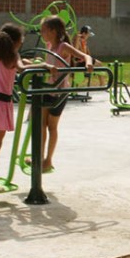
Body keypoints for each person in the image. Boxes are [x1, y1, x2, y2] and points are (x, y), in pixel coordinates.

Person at [0, 24, 54, 194]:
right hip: (2, 102)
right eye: (21, 41)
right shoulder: (12, 55)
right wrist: (44, 66)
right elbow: (21, 68)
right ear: (15, 42)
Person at [35, 15, 93, 172]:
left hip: (60, 91)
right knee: (41, 124)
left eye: (44, 30)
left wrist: (88, 63)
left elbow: (85, 56)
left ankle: (49, 159)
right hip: (48, 88)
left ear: (53, 31)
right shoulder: (49, 45)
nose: (41, 33)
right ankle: (39, 157)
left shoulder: (63, 47)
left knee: (51, 126)